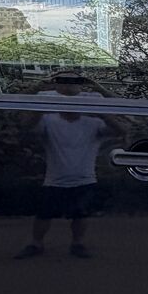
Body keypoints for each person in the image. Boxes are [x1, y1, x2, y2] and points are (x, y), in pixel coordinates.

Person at [16, 72, 113, 259]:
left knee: (80, 214)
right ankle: (36, 244)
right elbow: (25, 122)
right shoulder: (48, 118)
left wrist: (99, 92)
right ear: (55, 84)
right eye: (62, 80)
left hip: (84, 177)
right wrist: (39, 92)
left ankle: (77, 243)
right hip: (55, 179)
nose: (69, 84)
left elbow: (121, 126)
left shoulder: (93, 121)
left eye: (75, 80)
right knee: (44, 214)